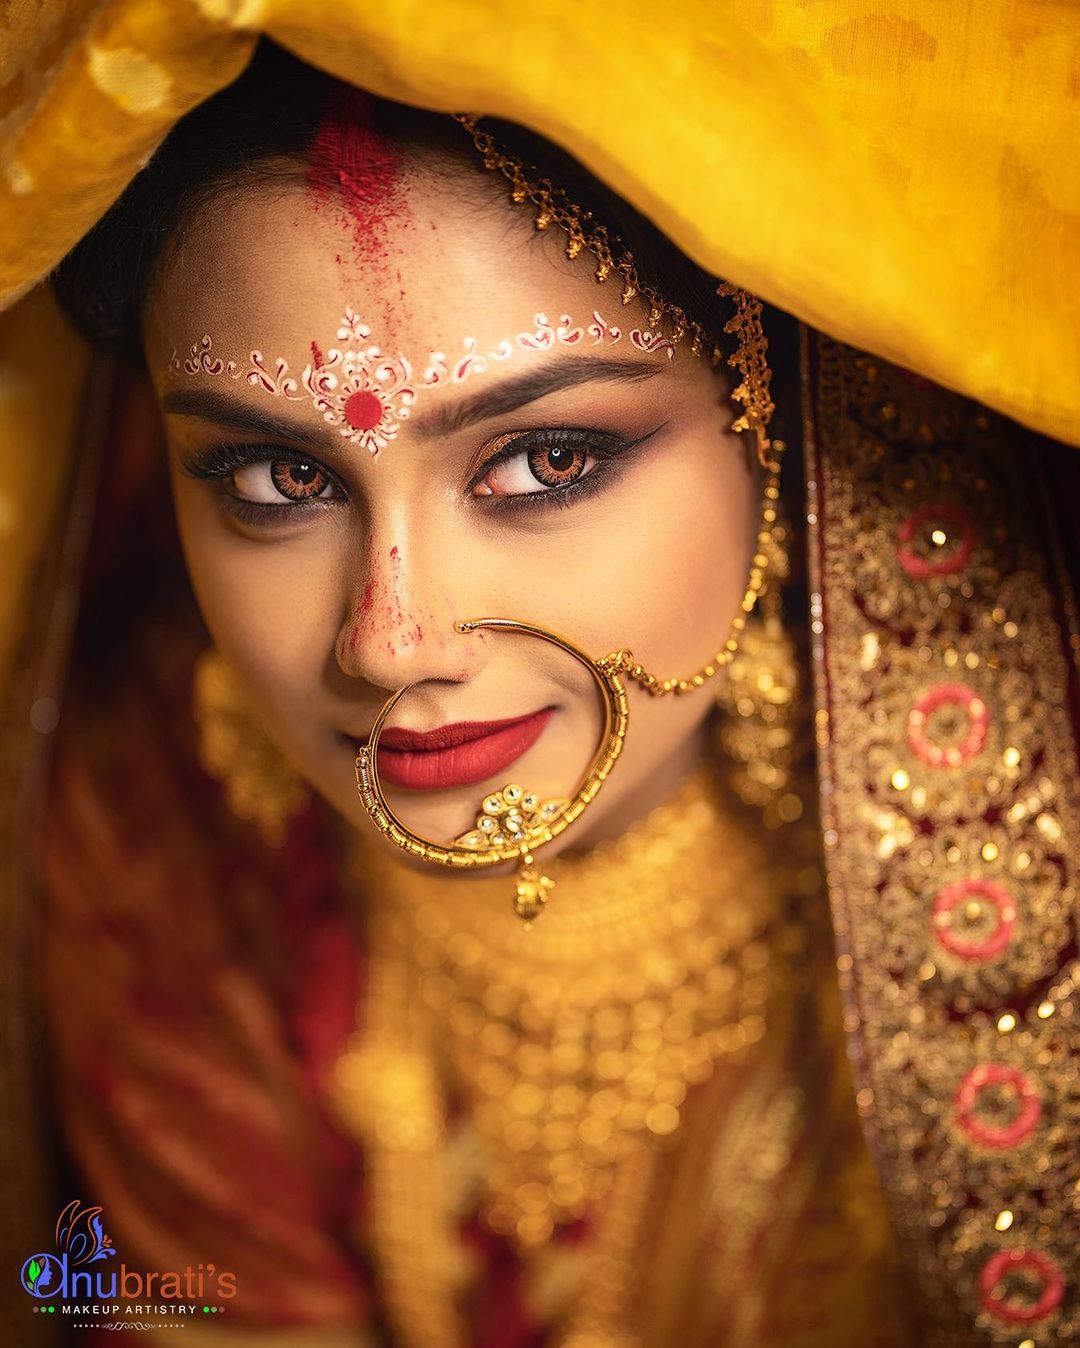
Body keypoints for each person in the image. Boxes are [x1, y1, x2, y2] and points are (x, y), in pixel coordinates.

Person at [2, 17, 1077, 1348]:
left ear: (788, 418)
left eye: (548, 462)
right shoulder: (152, 829)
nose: (392, 644)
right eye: (281, 481)